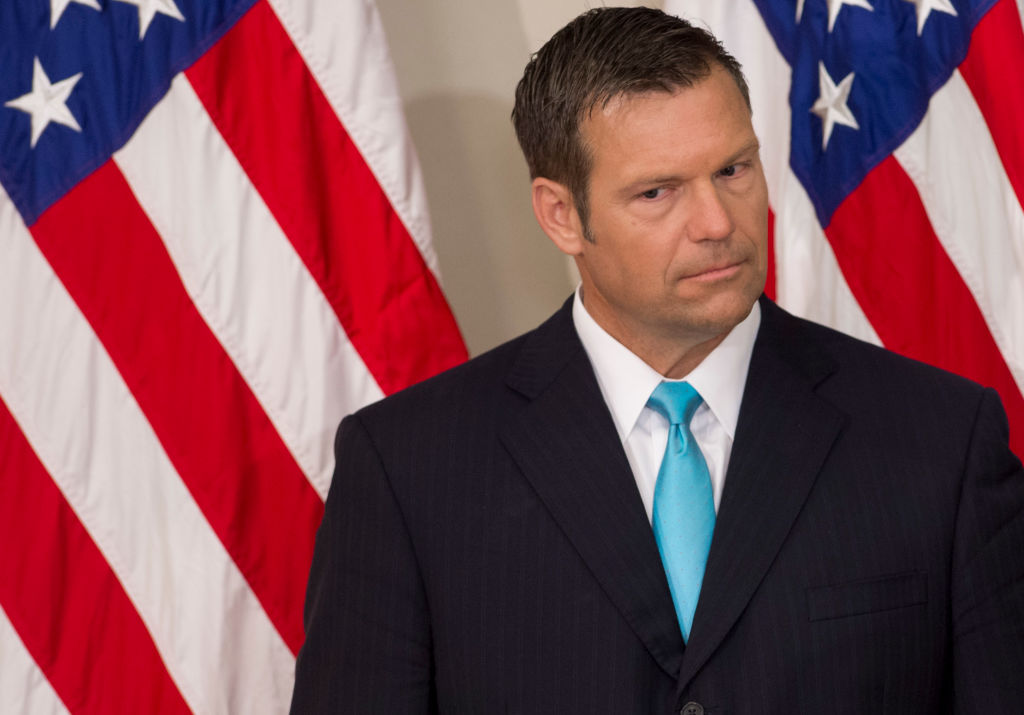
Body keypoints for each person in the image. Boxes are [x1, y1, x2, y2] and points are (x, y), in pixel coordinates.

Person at [290, 7, 1024, 713]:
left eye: (734, 169)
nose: (717, 223)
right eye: (657, 191)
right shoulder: (407, 468)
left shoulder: (942, 439)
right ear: (561, 215)